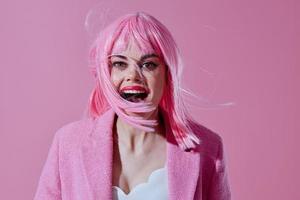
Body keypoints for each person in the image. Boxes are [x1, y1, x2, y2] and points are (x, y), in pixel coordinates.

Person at [34, 11, 231, 200]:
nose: (133, 76)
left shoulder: (207, 148)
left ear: (167, 74)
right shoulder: (68, 143)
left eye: (149, 64)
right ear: (106, 72)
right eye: (120, 64)